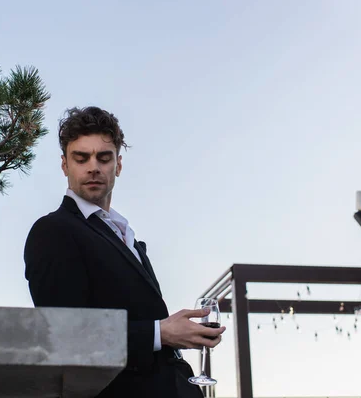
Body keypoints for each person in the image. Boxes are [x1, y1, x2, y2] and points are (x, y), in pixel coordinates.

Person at [24, 106, 226, 398]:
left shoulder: (125, 233)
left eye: (103, 158)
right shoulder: (53, 231)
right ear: (64, 166)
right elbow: (65, 336)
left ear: (117, 165)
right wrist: (161, 333)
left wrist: (176, 335)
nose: (93, 166)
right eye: (81, 158)